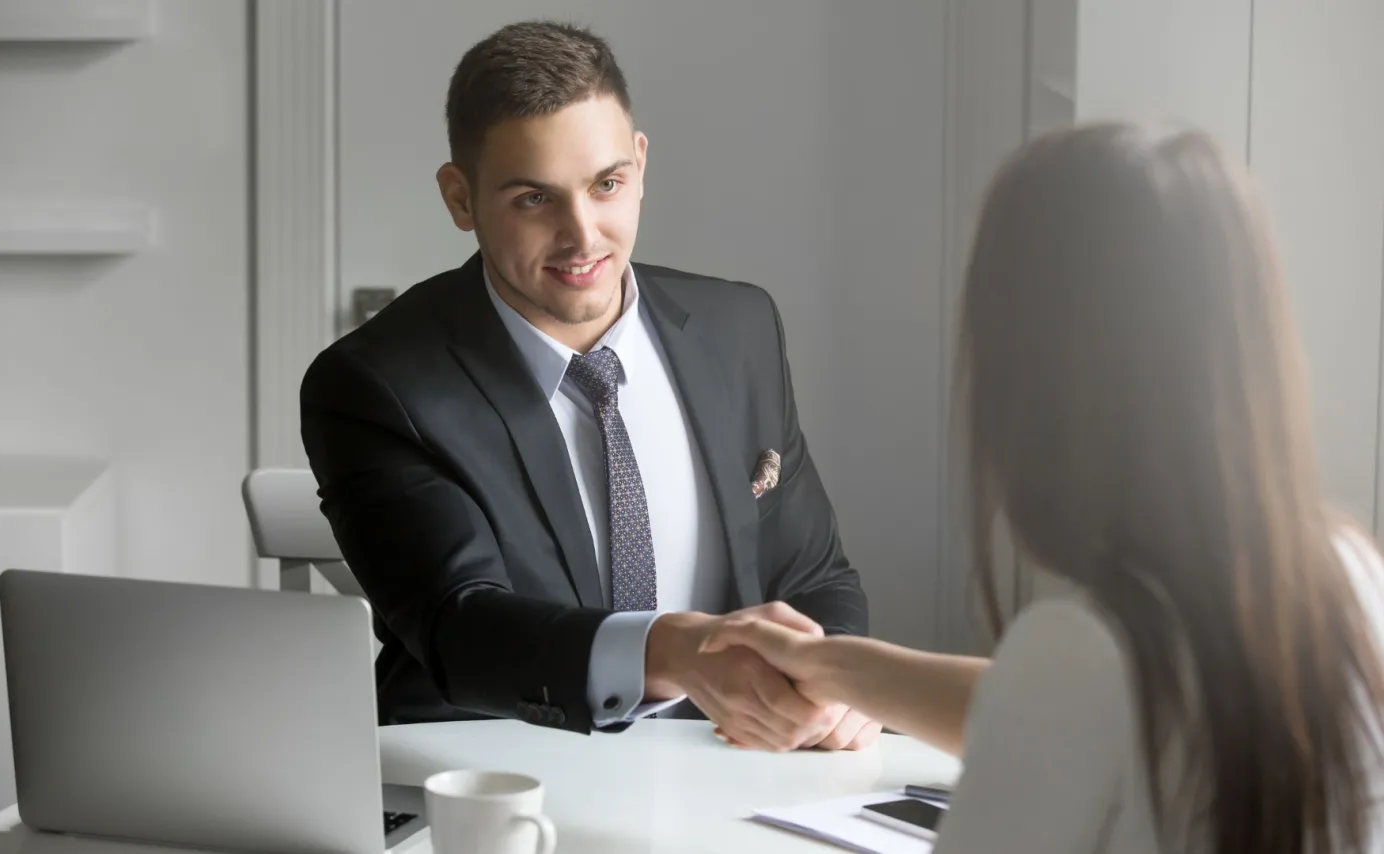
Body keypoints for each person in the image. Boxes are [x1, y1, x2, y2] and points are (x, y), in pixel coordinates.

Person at [699, 122, 1384, 852]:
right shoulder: (1350, 574)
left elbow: (1063, 700)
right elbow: (1050, 709)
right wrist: (833, 665)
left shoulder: (1081, 650)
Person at [299, 20, 877, 752]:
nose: (583, 236)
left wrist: (836, 682)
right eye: (534, 199)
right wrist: (672, 650)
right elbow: (461, 626)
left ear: (640, 164)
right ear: (460, 198)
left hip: (726, 768)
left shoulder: (740, 328)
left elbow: (814, 575)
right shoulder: (375, 385)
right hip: (493, 775)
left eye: (607, 185)